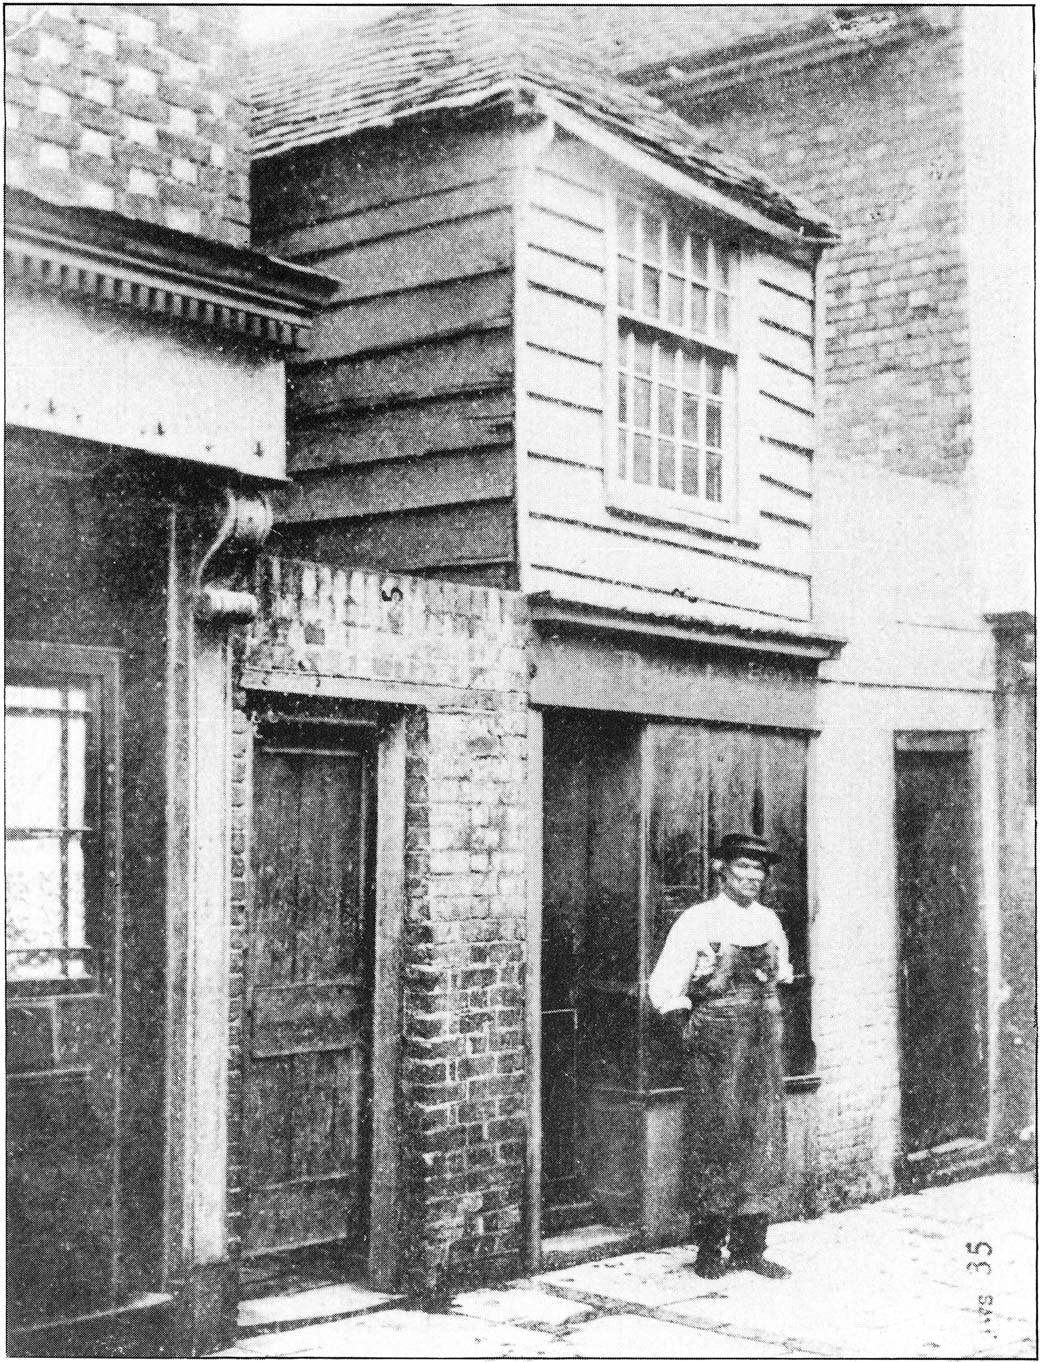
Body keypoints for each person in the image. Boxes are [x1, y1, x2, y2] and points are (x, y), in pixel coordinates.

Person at [648, 831, 793, 1280]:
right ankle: (710, 1247)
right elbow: (664, 986)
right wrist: (689, 1031)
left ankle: (751, 1248)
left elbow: (781, 974)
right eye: (743, 867)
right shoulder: (697, 920)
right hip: (716, 1039)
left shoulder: (769, 920)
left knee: (762, 1132)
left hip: (763, 1036)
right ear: (721, 870)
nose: (752, 877)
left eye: (759, 870)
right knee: (716, 1134)